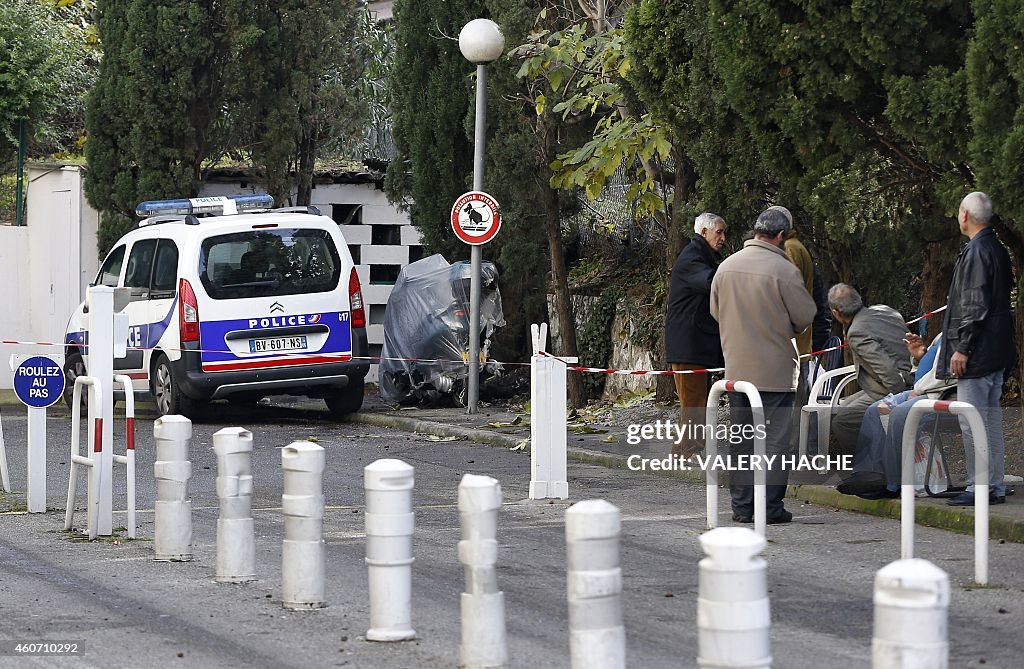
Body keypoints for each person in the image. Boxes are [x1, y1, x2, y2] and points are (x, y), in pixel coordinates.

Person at [710, 207, 816, 524]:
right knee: (774, 441)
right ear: (781, 236)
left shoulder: (726, 267)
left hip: (737, 369)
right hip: (776, 370)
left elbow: (716, 311)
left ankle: (742, 506)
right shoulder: (783, 270)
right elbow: (805, 316)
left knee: (741, 439)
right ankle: (769, 507)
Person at [937, 192, 1015, 506]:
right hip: (997, 350)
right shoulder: (997, 249)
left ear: (965, 215)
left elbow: (973, 304)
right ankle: (993, 485)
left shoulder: (975, 252)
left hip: (978, 352)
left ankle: (977, 486)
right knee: (991, 422)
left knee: (972, 421)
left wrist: (962, 348)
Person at [837, 333, 952, 498]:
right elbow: (934, 367)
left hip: (942, 393)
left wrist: (920, 389)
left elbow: (951, 373)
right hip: (924, 389)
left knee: (899, 414)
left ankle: (891, 484)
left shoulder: (964, 327)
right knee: (875, 410)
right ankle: (870, 474)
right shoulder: (944, 332)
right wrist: (921, 357)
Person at [665, 213, 727, 458]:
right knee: (693, 402)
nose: (723, 237)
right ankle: (689, 451)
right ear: (704, 232)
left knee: (695, 401)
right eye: (718, 232)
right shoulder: (693, 258)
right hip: (689, 343)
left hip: (695, 342)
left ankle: (683, 451)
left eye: (724, 233)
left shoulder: (701, 256)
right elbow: (712, 282)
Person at [827, 284, 914, 458]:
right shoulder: (884, 310)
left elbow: (888, 372)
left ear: (836, 313)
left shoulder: (857, 331)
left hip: (896, 387)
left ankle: (866, 467)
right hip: (911, 376)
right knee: (838, 409)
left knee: (842, 422)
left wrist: (898, 401)